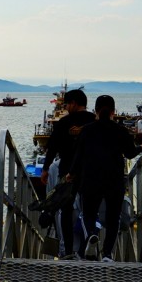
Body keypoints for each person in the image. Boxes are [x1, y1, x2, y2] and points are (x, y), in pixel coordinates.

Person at [65, 95, 142, 261]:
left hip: (90, 179)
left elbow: (78, 155)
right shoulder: (120, 130)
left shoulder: (86, 130)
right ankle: (108, 254)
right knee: (113, 218)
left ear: (95, 111)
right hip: (114, 180)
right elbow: (130, 153)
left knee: (88, 215)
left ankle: (91, 237)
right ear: (113, 111)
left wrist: (71, 174)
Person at [40, 89, 96, 257]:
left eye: (66, 104)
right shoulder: (94, 121)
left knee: (66, 210)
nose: (65, 107)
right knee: (89, 211)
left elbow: (52, 147)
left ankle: (69, 250)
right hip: (89, 172)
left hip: (67, 173)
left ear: (73, 103)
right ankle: (88, 246)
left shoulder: (64, 123)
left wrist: (45, 169)